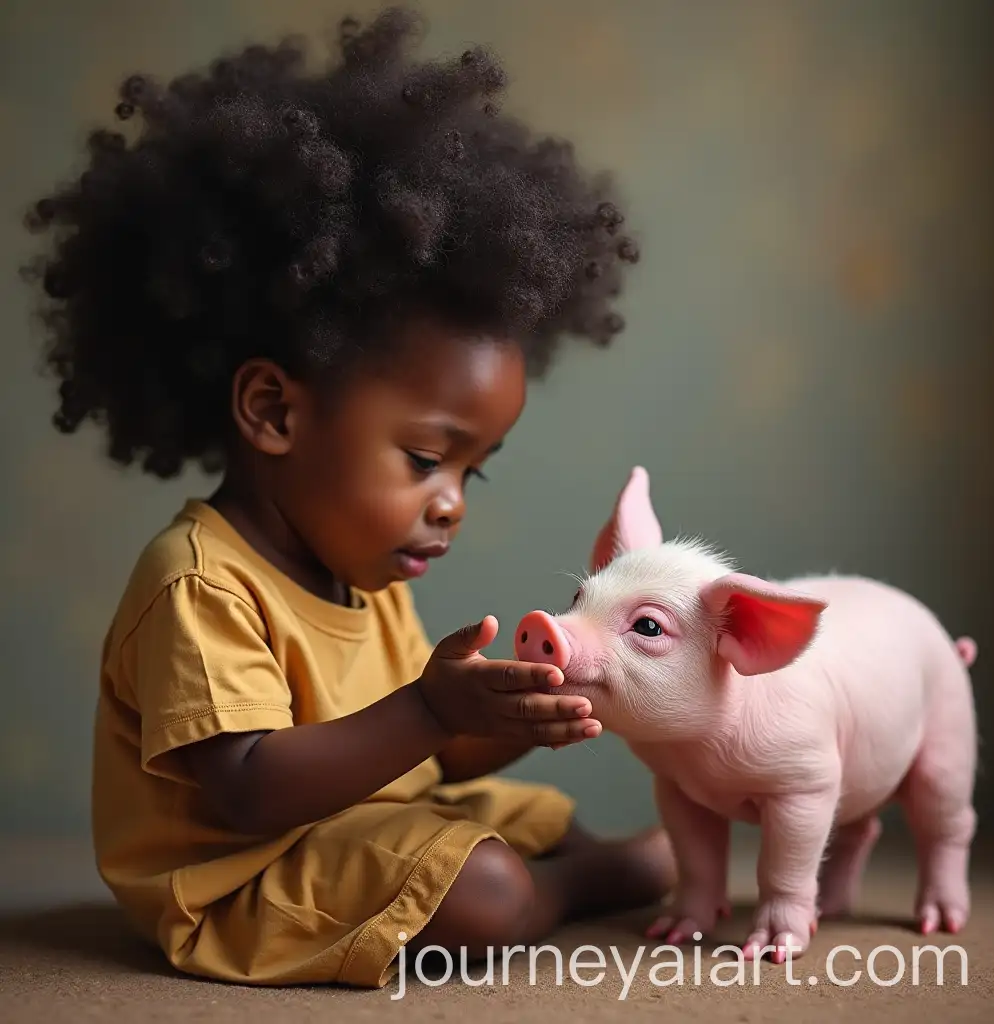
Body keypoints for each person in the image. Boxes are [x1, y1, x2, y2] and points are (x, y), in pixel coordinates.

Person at [22, 6, 674, 990]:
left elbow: (420, 767)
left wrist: (495, 716)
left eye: (472, 470)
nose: (451, 502)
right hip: (240, 874)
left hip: (343, 828)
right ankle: (577, 888)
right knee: (487, 889)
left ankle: (577, 860)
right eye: (425, 457)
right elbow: (245, 790)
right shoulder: (197, 581)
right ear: (274, 410)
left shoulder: (361, 573)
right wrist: (423, 708)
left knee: (524, 807)